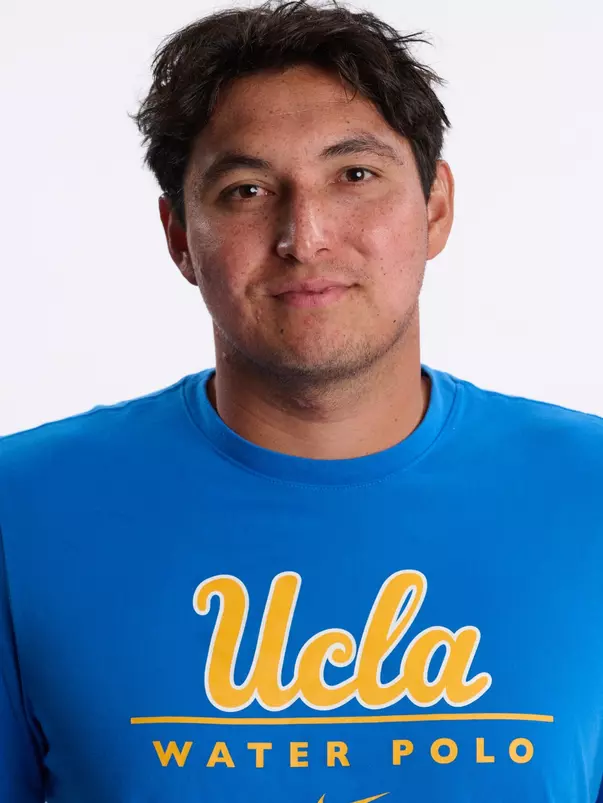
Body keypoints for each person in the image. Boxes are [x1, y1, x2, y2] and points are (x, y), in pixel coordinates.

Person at [1, 0, 602, 800]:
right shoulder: (23, 509)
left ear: (434, 206)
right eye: (246, 189)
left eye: (354, 176)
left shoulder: (586, 494)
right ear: (180, 235)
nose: (305, 234)